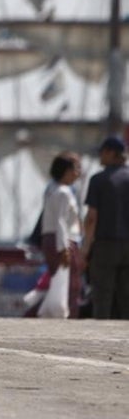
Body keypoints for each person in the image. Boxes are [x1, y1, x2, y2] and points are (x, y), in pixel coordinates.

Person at [81, 136, 129, 319]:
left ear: (110, 153)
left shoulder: (99, 180)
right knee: (126, 298)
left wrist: (85, 250)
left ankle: (101, 339)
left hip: (106, 245)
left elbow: (92, 217)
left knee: (102, 297)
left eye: (102, 152)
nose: (100, 157)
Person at [41, 152, 83, 318]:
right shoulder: (63, 192)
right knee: (72, 285)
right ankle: (68, 317)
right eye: (75, 169)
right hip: (62, 240)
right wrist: (64, 248)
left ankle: (57, 314)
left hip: (51, 239)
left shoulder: (52, 189)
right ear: (66, 171)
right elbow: (61, 222)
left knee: (59, 281)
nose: (78, 173)